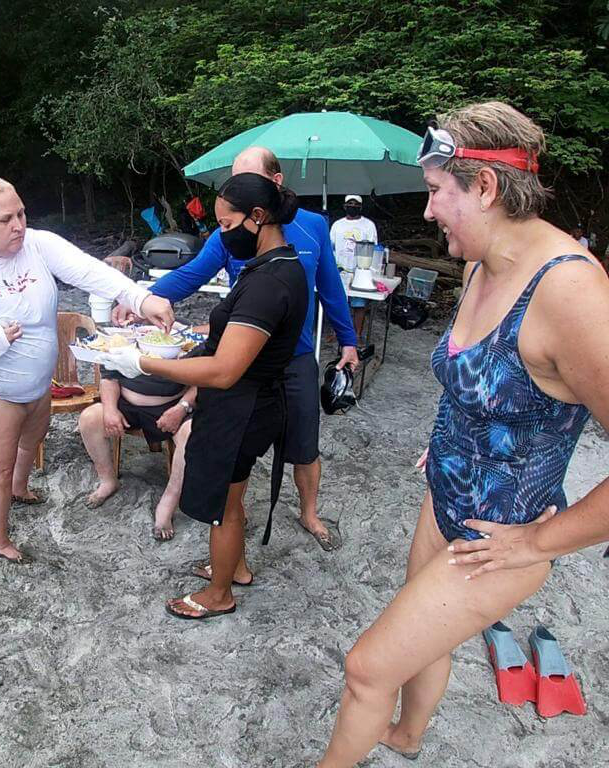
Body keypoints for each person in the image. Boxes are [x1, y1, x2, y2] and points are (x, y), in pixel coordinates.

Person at [317, 102, 609, 767]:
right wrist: (453, 433)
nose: (426, 212)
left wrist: (536, 541)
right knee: (424, 639)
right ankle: (408, 737)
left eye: (434, 192)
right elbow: (486, 383)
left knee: (367, 668)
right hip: (443, 494)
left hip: (498, 538)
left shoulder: (571, 295)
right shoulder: (480, 260)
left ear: (483, 187)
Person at [0, 177, 174, 564]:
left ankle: (20, 488)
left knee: (30, 439)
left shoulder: (37, 244)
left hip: (37, 381)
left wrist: (140, 297)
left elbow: (90, 271)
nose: (18, 224)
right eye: (6, 220)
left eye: (21, 213)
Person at [116, 146, 358, 552]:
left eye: (245, 181)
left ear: (274, 184)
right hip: (243, 357)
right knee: (234, 452)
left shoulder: (313, 227)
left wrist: (348, 340)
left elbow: (330, 285)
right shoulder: (231, 231)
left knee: (303, 443)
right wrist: (141, 299)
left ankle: (309, 512)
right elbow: (193, 274)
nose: (233, 190)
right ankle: (233, 528)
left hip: (295, 357)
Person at [100, 173, 308, 619]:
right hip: (253, 402)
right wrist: (188, 338)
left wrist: (143, 362)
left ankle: (219, 594)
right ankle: (236, 568)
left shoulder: (270, 282)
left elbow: (225, 368)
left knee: (225, 506)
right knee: (233, 498)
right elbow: (236, 343)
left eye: (227, 226)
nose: (221, 236)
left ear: (258, 217)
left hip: (244, 408)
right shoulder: (274, 267)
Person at [77, 356, 198, 539]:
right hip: (126, 402)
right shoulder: (125, 332)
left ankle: (169, 501)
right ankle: (108, 481)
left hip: (175, 404)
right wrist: (110, 409)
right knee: (89, 417)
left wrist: (183, 406)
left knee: (191, 433)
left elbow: (205, 379)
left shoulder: (192, 337)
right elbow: (109, 375)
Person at [330, 194, 378, 339]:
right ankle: (336, 332)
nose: (352, 206)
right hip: (340, 269)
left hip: (360, 270)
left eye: (356, 204)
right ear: (345, 206)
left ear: (361, 207)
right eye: (350, 204)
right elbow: (331, 247)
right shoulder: (337, 225)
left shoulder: (368, 225)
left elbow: (373, 249)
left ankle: (357, 334)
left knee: (359, 303)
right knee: (338, 303)